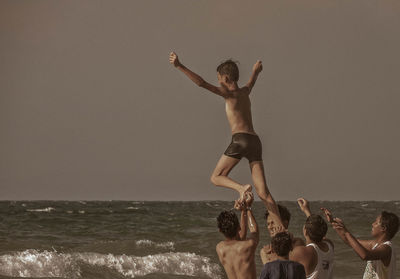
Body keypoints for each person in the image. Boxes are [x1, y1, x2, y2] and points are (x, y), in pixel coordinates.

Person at [169, 52, 281, 224]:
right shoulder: (244, 92)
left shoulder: (228, 94)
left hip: (240, 140)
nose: (218, 81)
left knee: (216, 177)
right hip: (255, 142)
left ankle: (240, 188)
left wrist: (180, 66)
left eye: (219, 78)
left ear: (226, 78)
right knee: (264, 192)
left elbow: (201, 83)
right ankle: (282, 231)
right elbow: (251, 83)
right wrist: (256, 71)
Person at [326, 208, 399, 279]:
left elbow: (365, 255)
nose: (372, 224)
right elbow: (349, 241)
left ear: (383, 228)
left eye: (376, 223)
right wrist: (334, 223)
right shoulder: (375, 244)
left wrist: (346, 232)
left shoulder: (386, 248)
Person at [216, 192, 259, 279]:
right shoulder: (248, 245)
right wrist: (248, 208)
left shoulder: (220, 248)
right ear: (238, 227)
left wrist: (243, 211)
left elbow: (240, 238)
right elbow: (254, 231)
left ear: (220, 230)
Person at [290, 198, 334, 279]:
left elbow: (282, 261)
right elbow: (318, 229)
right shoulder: (329, 245)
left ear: (305, 231)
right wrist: (306, 210)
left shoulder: (302, 252)